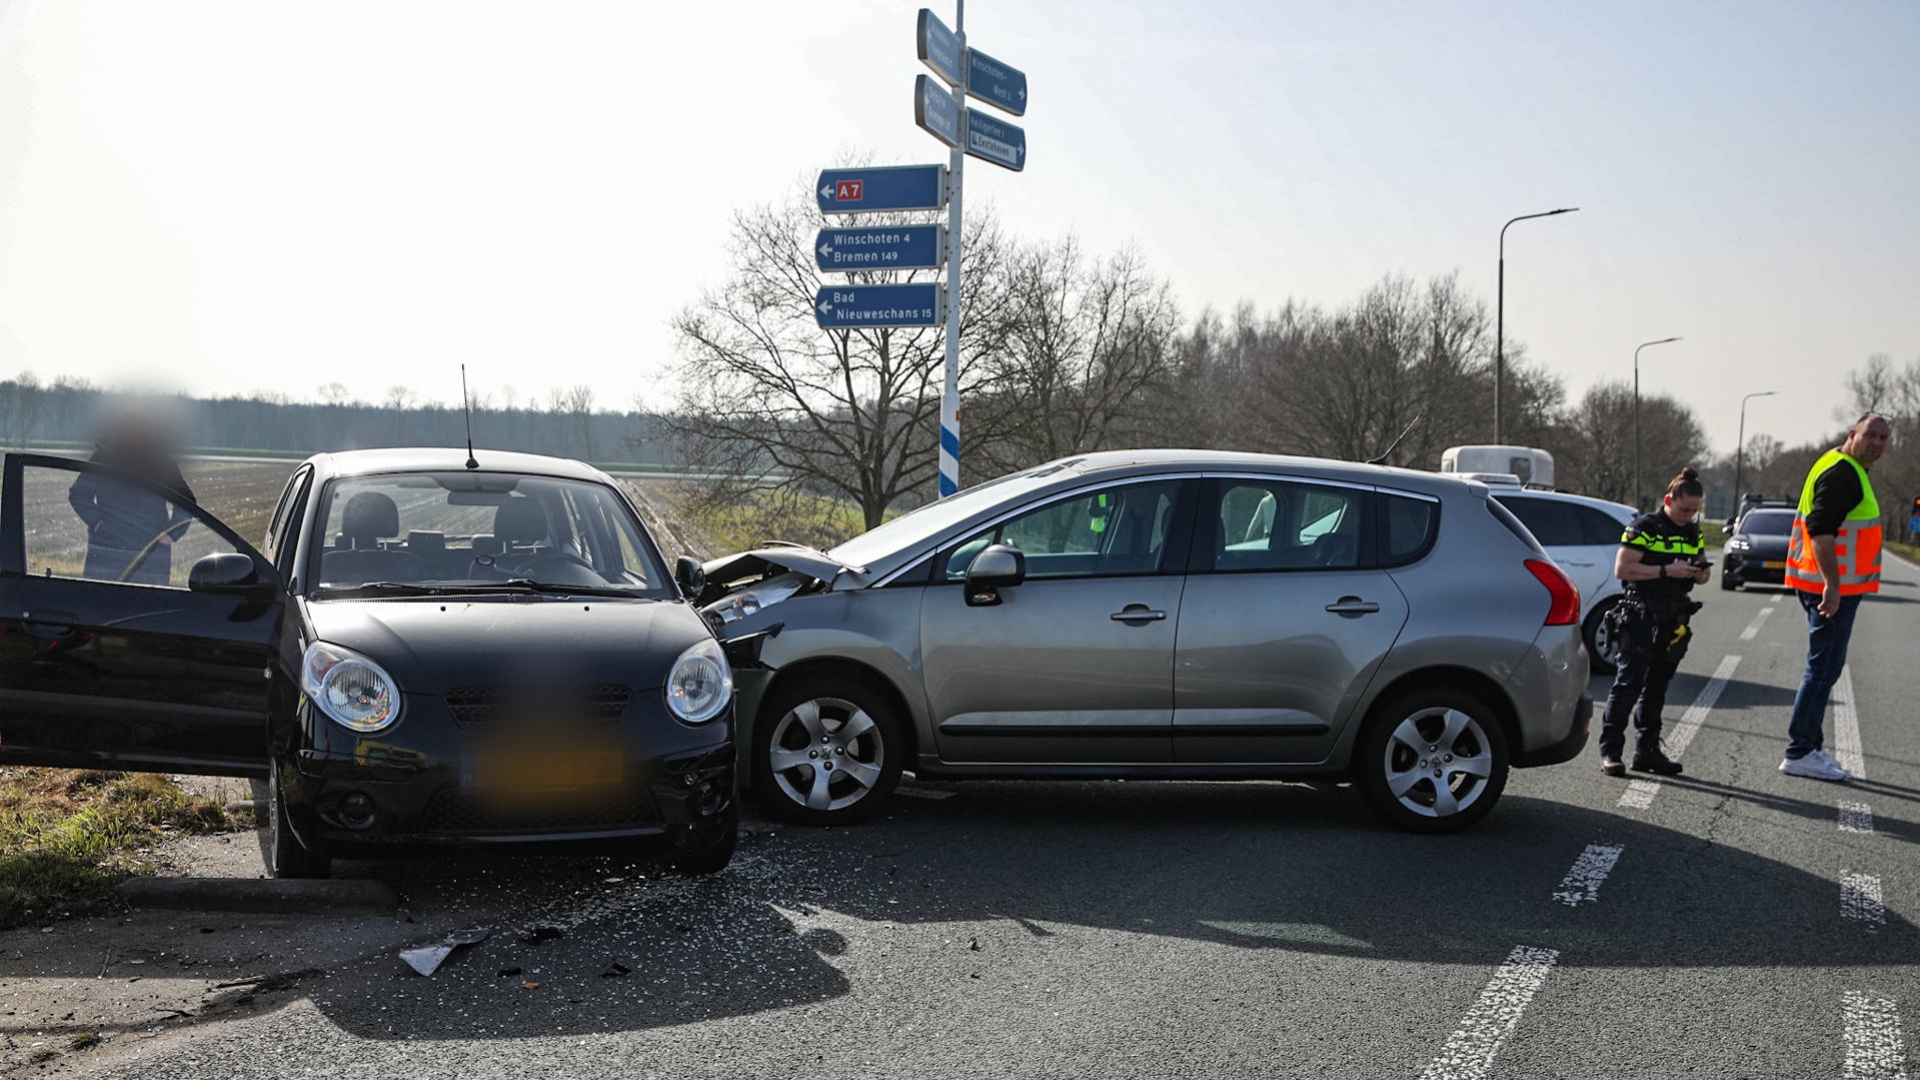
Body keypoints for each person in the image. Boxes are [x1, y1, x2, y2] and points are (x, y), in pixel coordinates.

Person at [1779, 413, 1893, 781]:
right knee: (1822, 669)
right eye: (1870, 435)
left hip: (1823, 584)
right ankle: (1799, 751)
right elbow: (1821, 531)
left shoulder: (1840, 464)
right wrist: (1833, 584)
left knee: (1826, 667)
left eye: (1883, 438)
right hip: (1827, 588)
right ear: (1852, 434)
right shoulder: (1844, 473)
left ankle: (1811, 745)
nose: (1876, 442)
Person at [1597, 467, 1711, 778]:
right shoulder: (1644, 527)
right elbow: (1624, 569)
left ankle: (1647, 751)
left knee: (1658, 685)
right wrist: (1666, 571)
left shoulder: (1692, 531)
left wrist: (1700, 573)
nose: (1689, 515)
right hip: (1641, 613)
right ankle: (1611, 752)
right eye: (1685, 509)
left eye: (1694, 511)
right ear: (1668, 500)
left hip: (1673, 616)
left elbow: (1701, 569)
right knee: (1629, 682)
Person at [66, 407, 197, 586]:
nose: (133, 441)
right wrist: (98, 522)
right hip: (106, 552)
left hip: (150, 555)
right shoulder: (104, 458)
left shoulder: (162, 463)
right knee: (97, 607)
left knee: (149, 609)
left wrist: (170, 534)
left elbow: (187, 502)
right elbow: (79, 494)